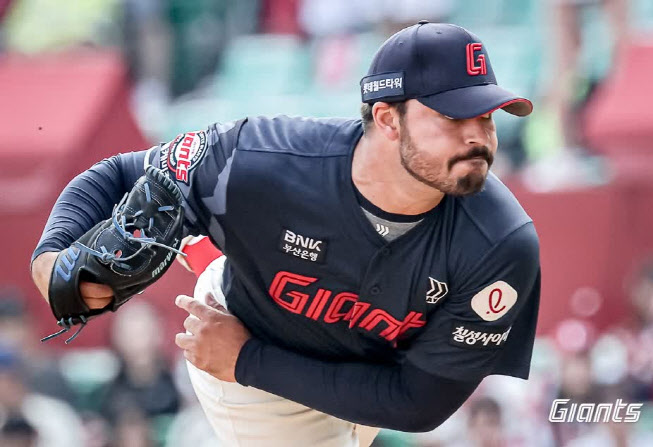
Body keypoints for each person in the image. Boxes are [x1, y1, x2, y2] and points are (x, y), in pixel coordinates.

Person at [30, 22, 541, 446]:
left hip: (363, 376)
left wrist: (249, 360)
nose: (479, 136)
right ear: (388, 119)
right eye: (455, 116)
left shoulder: (502, 242)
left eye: (487, 117)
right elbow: (121, 172)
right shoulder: (259, 161)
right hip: (246, 354)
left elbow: (419, 404)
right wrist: (51, 255)